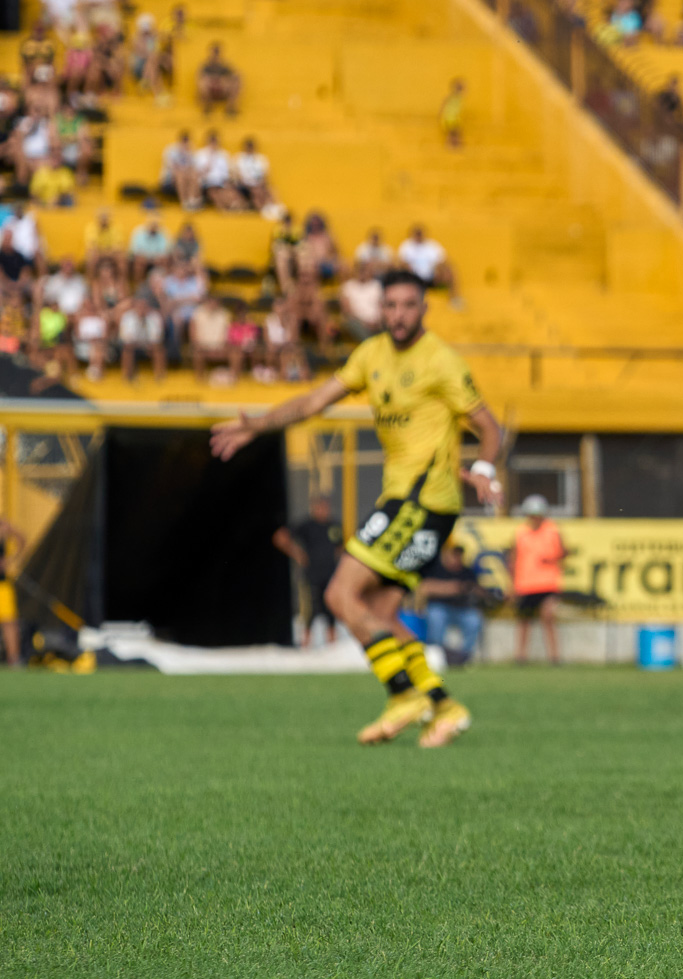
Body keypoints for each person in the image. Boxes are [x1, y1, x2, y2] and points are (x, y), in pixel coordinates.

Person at [210, 270, 502, 748]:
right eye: (390, 306)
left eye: (409, 305)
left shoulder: (442, 362)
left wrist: (486, 468)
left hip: (420, 501)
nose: (398, 315)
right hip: (413, 504)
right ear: (379, 310)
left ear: (424, 308)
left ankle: (402, 695)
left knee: (338, 595)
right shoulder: (370, 355)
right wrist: (258, 425)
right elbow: (314, 401)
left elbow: (489, 426)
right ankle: (445, 707)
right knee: (381, 613)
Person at [275, 494, 344, 649]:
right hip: (311, 575)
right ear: (314, 508)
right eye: (320, 507)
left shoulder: (334, 525)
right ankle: (306, 645)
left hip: (330, 575)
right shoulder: (306, 525)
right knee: (310, 610)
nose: (323, 510)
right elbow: (280, 537)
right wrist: (297, 553)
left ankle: (333, 647)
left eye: (325, 507)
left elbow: (341, 545)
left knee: (330, 609)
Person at [508, 494, 566, 665]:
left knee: (548, 617)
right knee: (524, 621)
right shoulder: (520, 533)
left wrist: (553, 558)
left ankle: (555, 657)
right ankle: (521, 656)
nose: (535, 519)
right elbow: (513, 559)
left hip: (548, 583)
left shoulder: (553, 530)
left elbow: (564, 552)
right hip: (525, 585)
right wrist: (511, 585)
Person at [419, 543, 487, 666]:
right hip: (440, 608)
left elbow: (479, 590)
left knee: (474, 619)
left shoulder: (467, 572)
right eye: (454, 555)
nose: (457, 558)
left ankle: (464, 657)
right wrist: (455, 587)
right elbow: (426, 588)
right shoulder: (436, 569)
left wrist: (474, 589)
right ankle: (437, 655)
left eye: (459, 555)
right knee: (436, 615)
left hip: (462, 610)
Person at [0, 515, 27, 666]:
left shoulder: (2, 526)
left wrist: (10, 560)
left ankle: (14, 658)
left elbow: (21, 539)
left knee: (9, 622)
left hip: (2, 583)